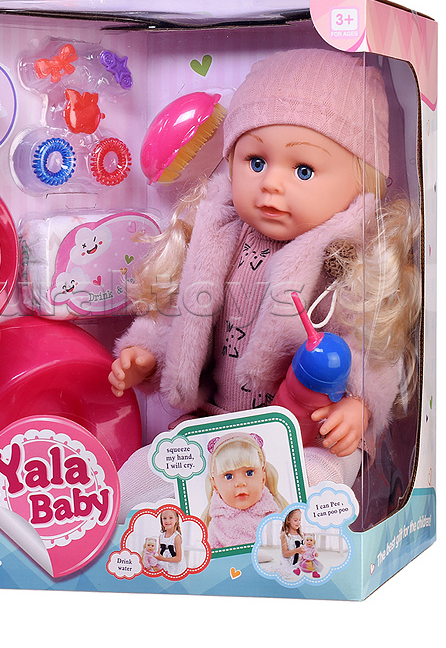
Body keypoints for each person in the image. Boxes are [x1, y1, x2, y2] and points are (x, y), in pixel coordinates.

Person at [108, 49, 421, 517]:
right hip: (216, 424)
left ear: (363, 182)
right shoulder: (218, 237)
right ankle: (132, 531)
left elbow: (370, 347)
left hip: (306, 435)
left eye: (303, 170)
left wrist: (360, 408)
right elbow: (185, 316)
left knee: (313, 484)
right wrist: (147, 354)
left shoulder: (347, 259)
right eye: (255, 161)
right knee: (141, 476)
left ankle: (281, 540)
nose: (271, 184)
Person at [202, 432, 287, 548]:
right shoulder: (216, 527)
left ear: (263, 478)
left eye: (249, 473)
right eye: (228, 476)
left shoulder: (275, 517)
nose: (240, 483)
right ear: (215, 486)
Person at [155, 508, 186, 576]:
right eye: (164, 518)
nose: (167, 521)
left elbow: (178, 558)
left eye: (171, 518)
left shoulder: (176, 537)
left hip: (175, 569)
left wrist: (163, 559)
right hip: (163, 567)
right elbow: (159, 553)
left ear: (176, 519)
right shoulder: (161, 536)